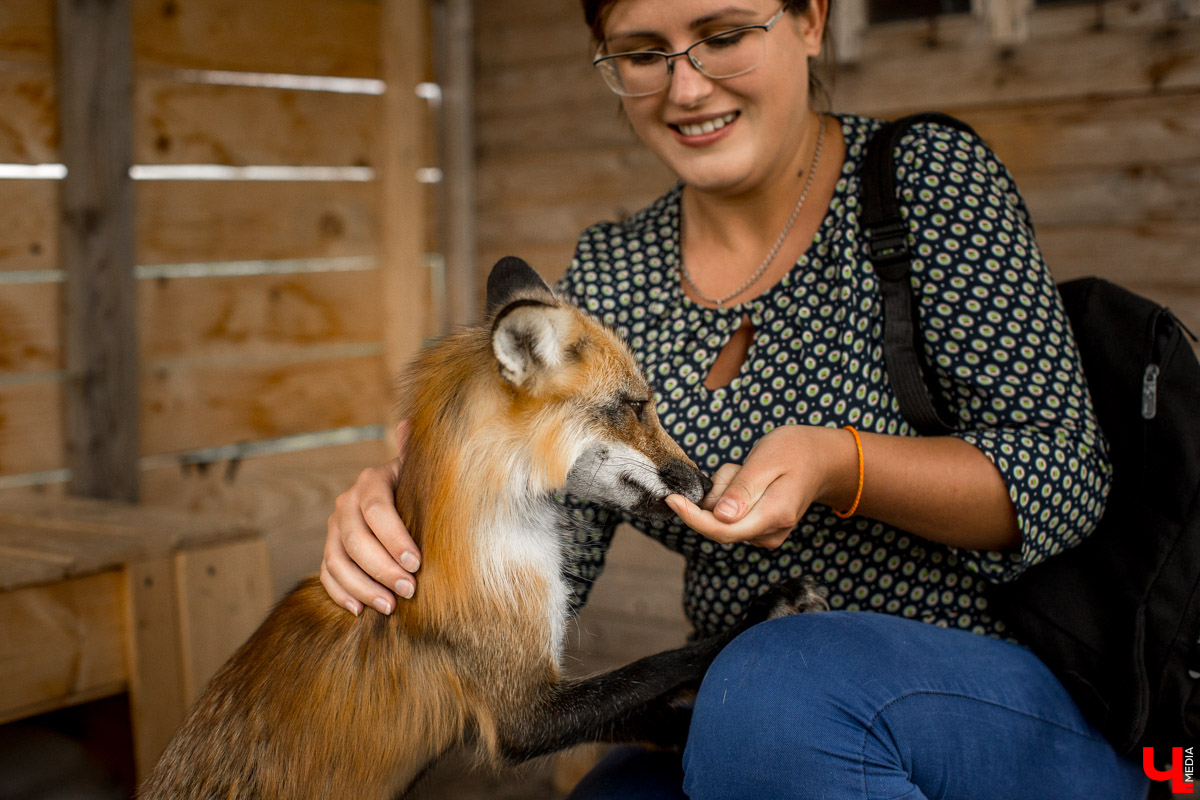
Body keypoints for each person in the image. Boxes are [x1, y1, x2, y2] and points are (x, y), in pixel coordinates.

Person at [321, 1, 1150, 797]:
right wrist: (415, 521)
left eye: (723, 35)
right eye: (644, 52)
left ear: (811, 19)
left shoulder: (927, 182)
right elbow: (547, 554)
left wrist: (839, 462)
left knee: (777, 691)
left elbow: (1062, 477)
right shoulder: (614, 273)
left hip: (996, 696)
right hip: (743, 709)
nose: (686, 88)